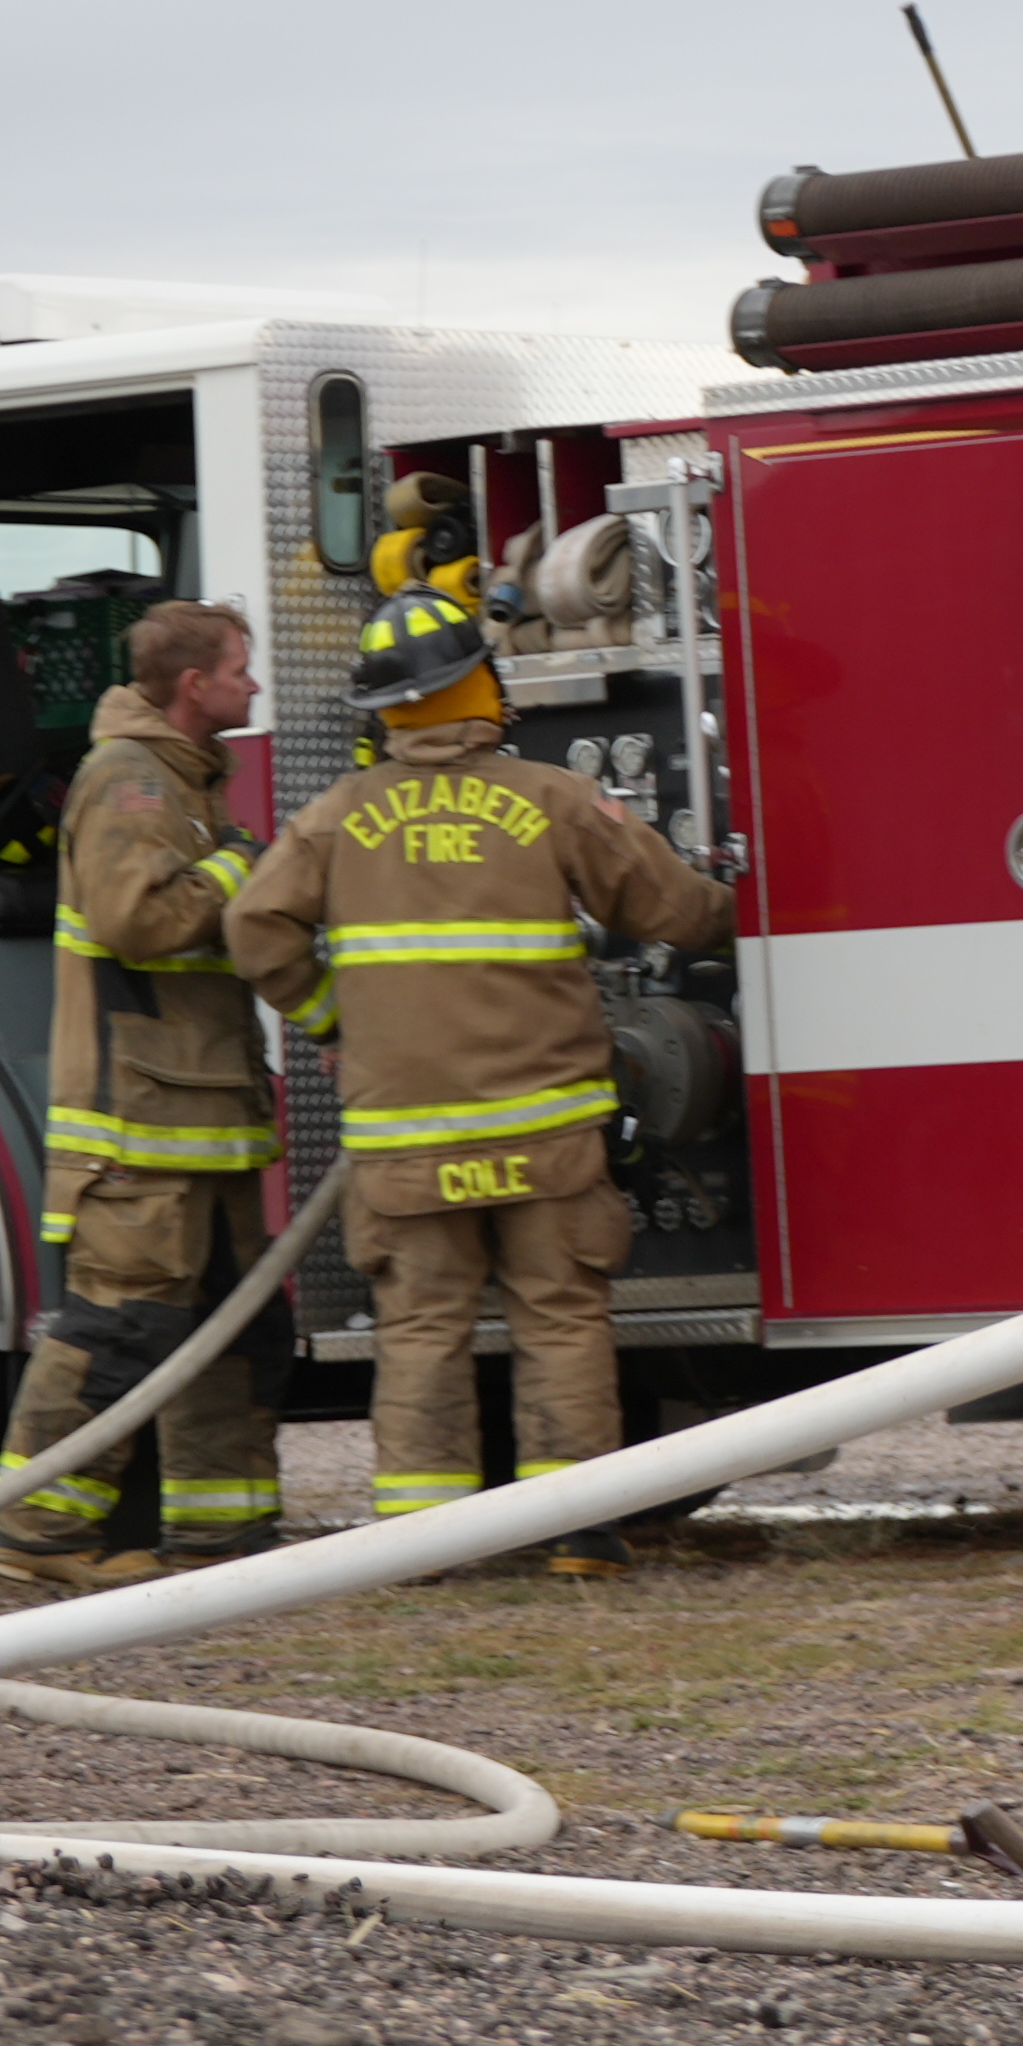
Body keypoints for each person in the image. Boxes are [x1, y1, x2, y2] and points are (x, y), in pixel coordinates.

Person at [225, 579, 727, 1563]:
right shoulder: (552, 798)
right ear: (480, 687)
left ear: (385, 710)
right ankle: (578, 1532)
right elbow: (671, 906)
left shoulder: (337, 818)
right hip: (544, 1132)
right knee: (561, 1316)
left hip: (406, 1147)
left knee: (420, 1329)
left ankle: (419, 1543)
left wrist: (335, 1021)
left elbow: (254, 928)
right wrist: (734, 905)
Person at [0, 598, 295, 1584]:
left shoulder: (183, 778)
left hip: (201, 1118)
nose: (253, 684)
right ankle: (38, 1537)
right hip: (141, 1121)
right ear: (193, 684)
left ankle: (221, 1540)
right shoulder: (128, 777)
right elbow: (137, 919)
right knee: (119, 1334)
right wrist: (239, 867)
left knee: (232, 1335)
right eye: (239, 668)